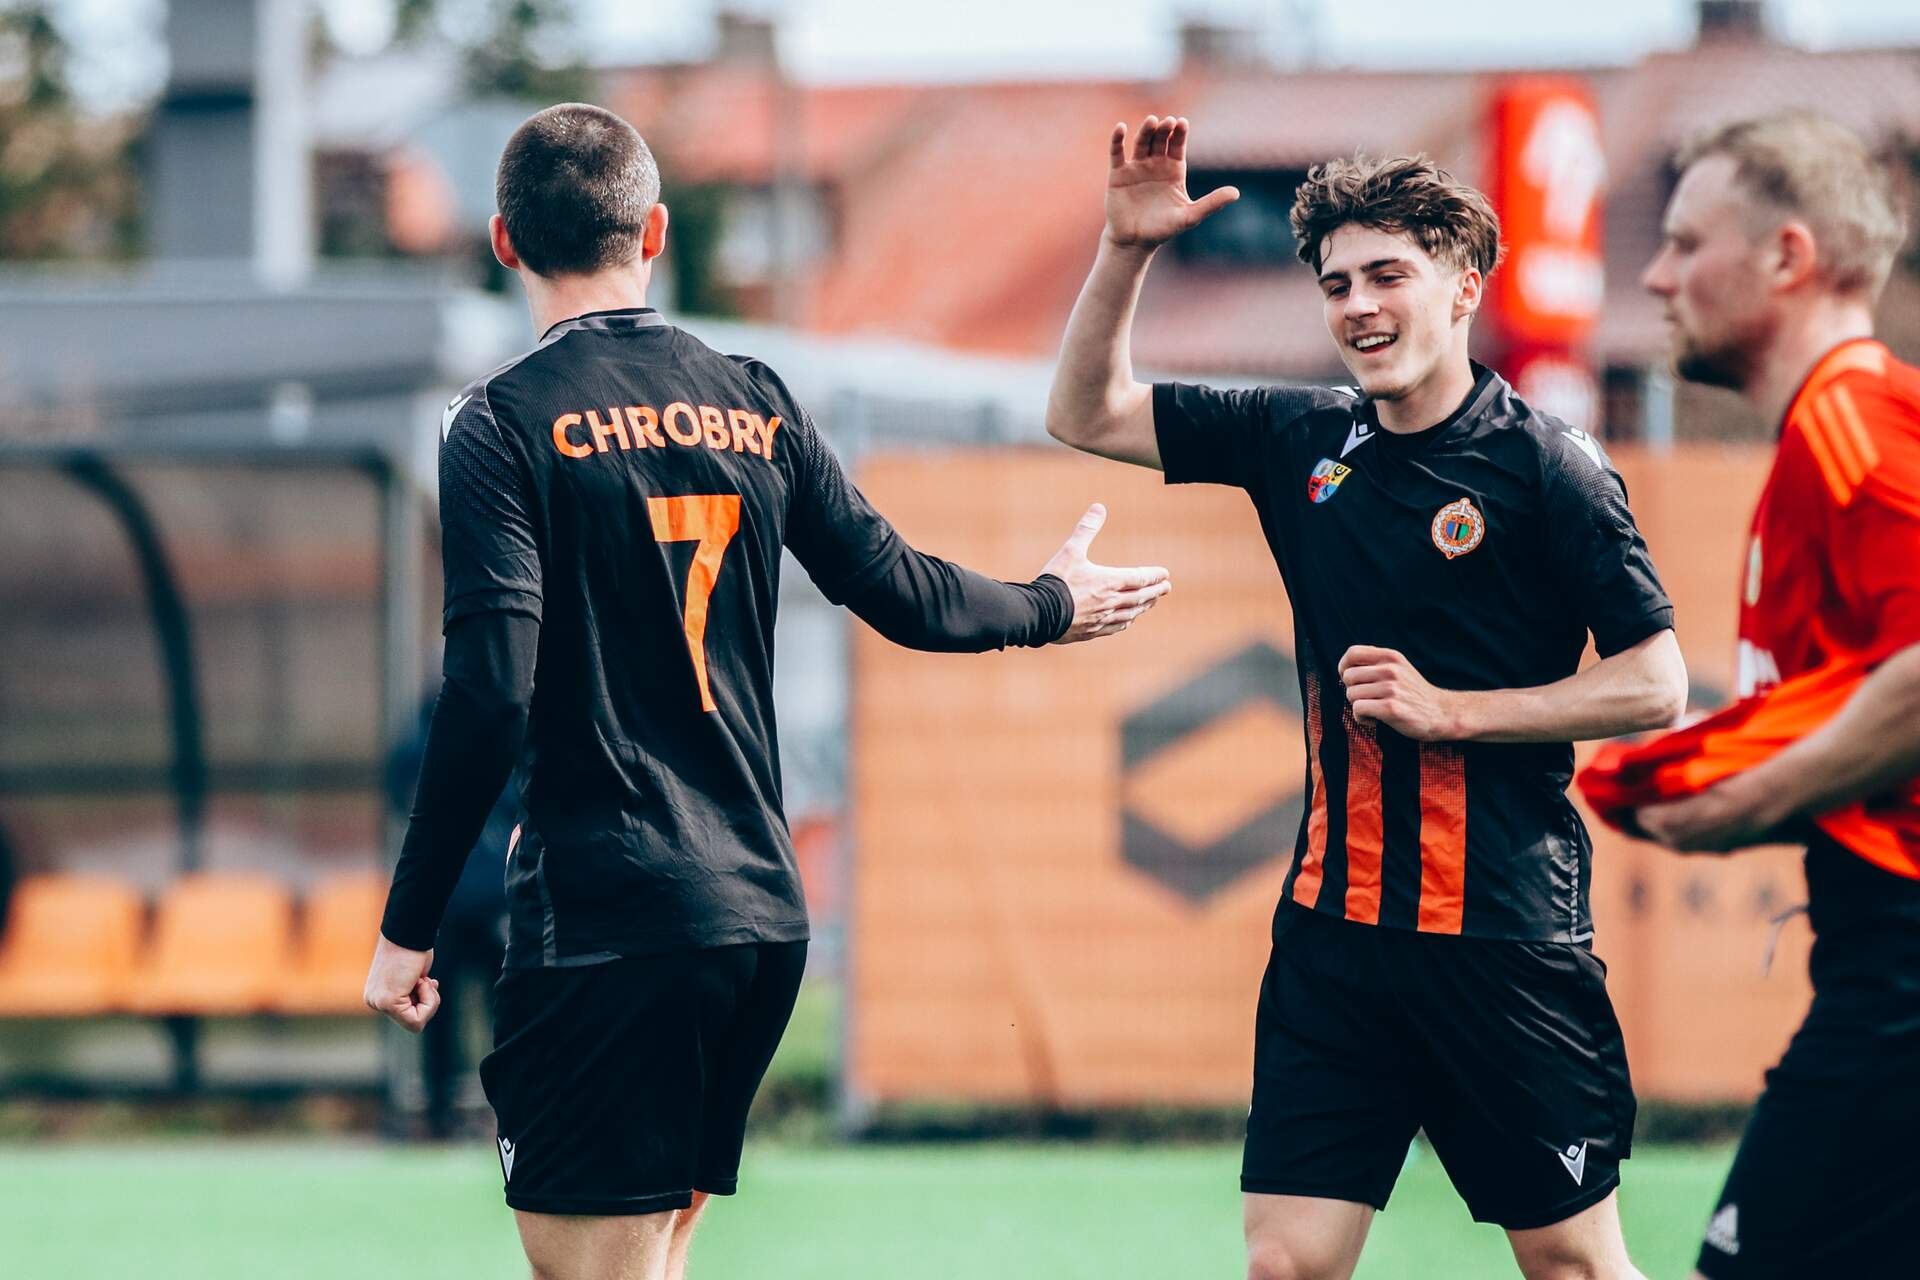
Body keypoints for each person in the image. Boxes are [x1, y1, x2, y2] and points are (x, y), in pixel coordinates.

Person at [362, 102, 1172, 1280]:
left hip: (606, 923)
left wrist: (408, 927)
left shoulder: (496, 423)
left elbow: (492, 686)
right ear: (655, 232)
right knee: (651, 1261)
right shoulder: (754, 398)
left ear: (502, 241)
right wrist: (1049, 600)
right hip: (754, 915)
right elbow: (904, 591)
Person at [1046, 116, 1687, 1280]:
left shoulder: (1550, 466)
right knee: (1284, 1264)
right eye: (1337, 283)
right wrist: (1127, 249)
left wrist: (1455, 711)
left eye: (1388, 274)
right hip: (1332, 941)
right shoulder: (1300, 435)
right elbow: (1086, 413)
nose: (1358, 305)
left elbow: (1656, 680)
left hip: (1501, 938)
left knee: (1575, 1264)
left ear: (1463, 288)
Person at [1633, 112, 1920, 1279]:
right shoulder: (1830, 428)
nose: (1655, 277)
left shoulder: (1850, 423)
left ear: (1787, 256)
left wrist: (1749, 797)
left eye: (1685, 242)